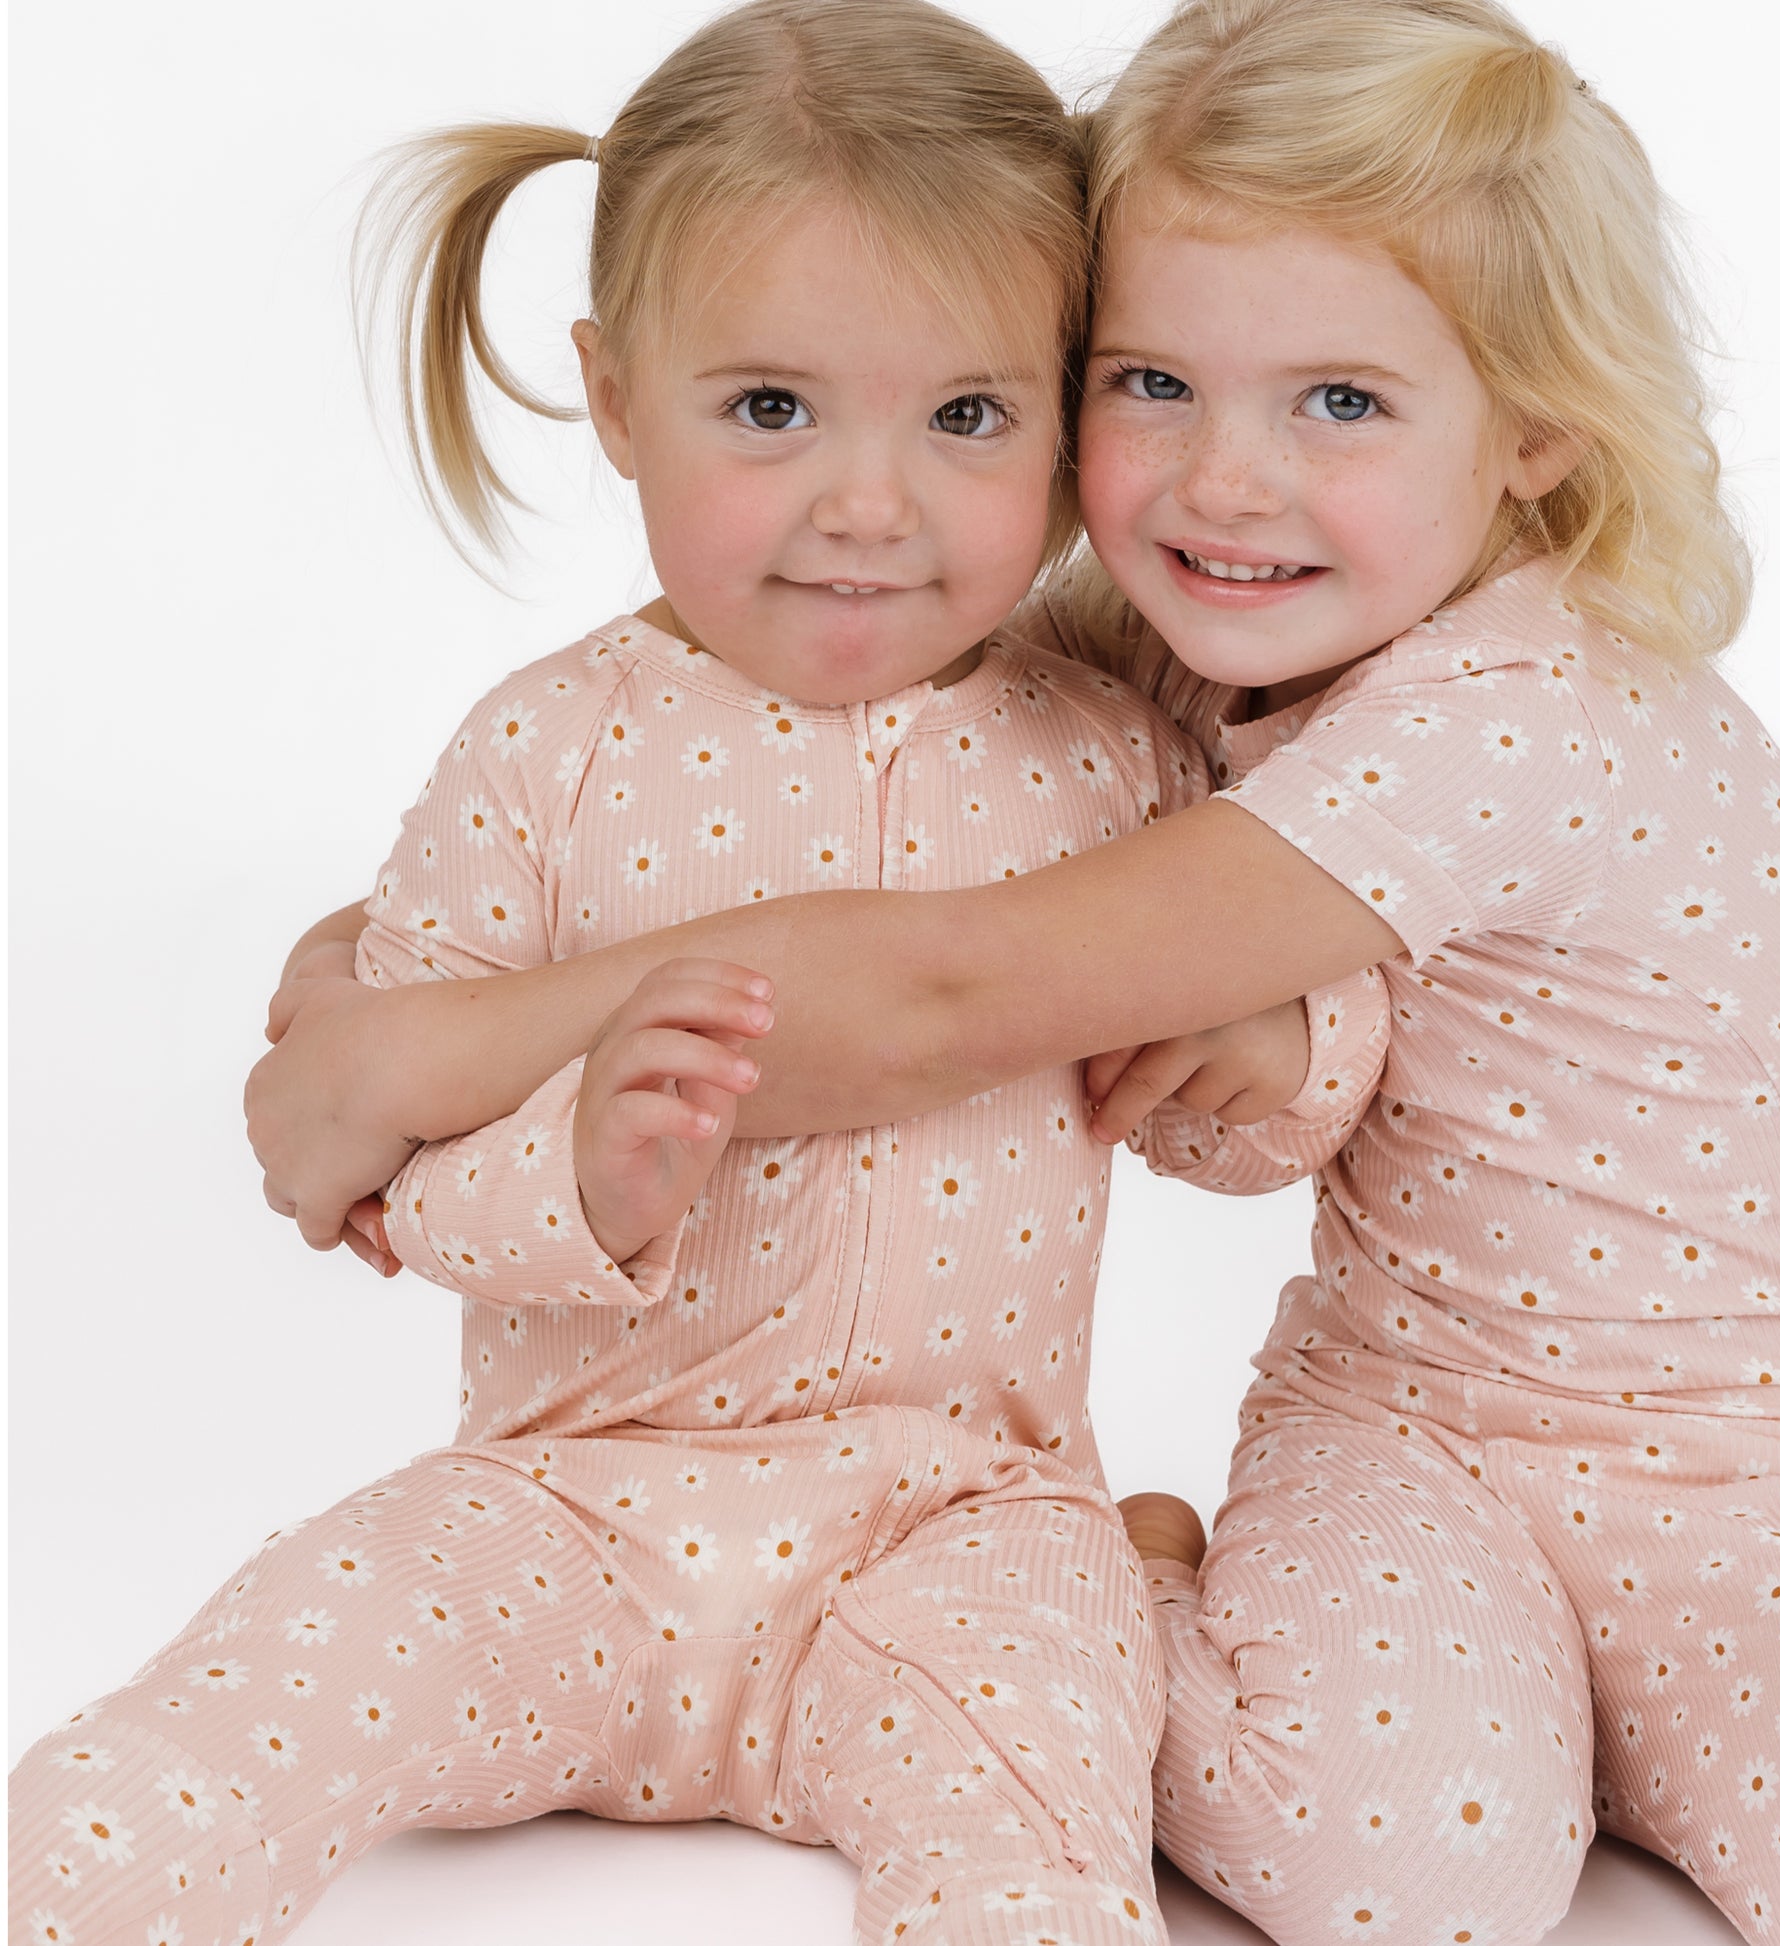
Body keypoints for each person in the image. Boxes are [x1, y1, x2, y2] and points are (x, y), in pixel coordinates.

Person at [242, 3, 1780, 1940]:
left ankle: (1621, 1699)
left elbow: (941, 989)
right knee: (1398, 1895)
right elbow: (814, 852)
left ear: (1538, 426)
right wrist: (355, 979)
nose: (1227, 482)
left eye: (1343, 402)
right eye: (1152, 381)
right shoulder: (1191, 634)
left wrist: (423, 1050)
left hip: (1753, 1449)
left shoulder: (1516, 711)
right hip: (1393, 1420)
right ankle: (1134, 1590)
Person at [8, 5, 1383, 1941]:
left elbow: (1260, 1139)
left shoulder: (1111, 761)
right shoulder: (540, 753)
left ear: (1068, 422)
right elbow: (387, 1171)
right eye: (768, 410)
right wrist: (581, 1171)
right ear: (615, 392)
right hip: (568, 1505)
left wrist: (1274, 1040)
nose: (868, 505)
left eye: (966, 418)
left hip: (960, 1520)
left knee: (1033, 1834)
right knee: (256, 1698)